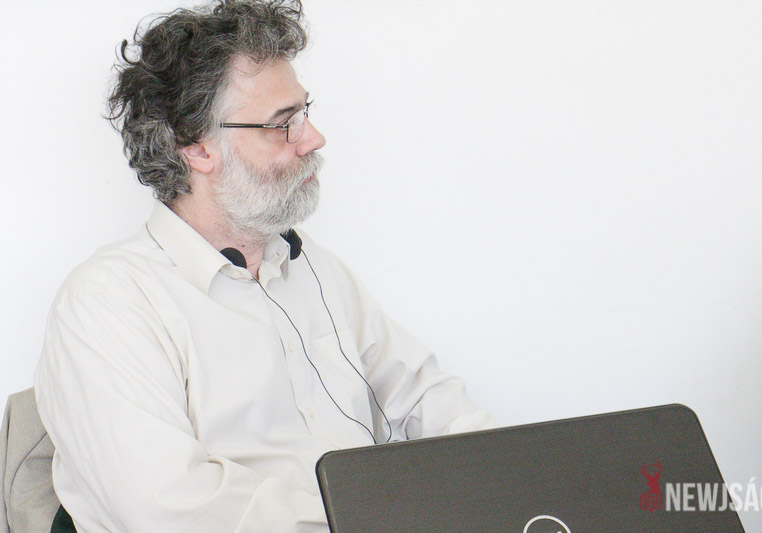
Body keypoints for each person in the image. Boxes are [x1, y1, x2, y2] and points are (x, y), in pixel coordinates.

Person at [33, 1, 493, 531]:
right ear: (196, 148)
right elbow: (169, 509)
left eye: (304, 112)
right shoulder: (108, 303)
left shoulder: (312, 267)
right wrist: (373, 518)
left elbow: (421, 396)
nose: (313, 138)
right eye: (282, 124)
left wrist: (508, 479)